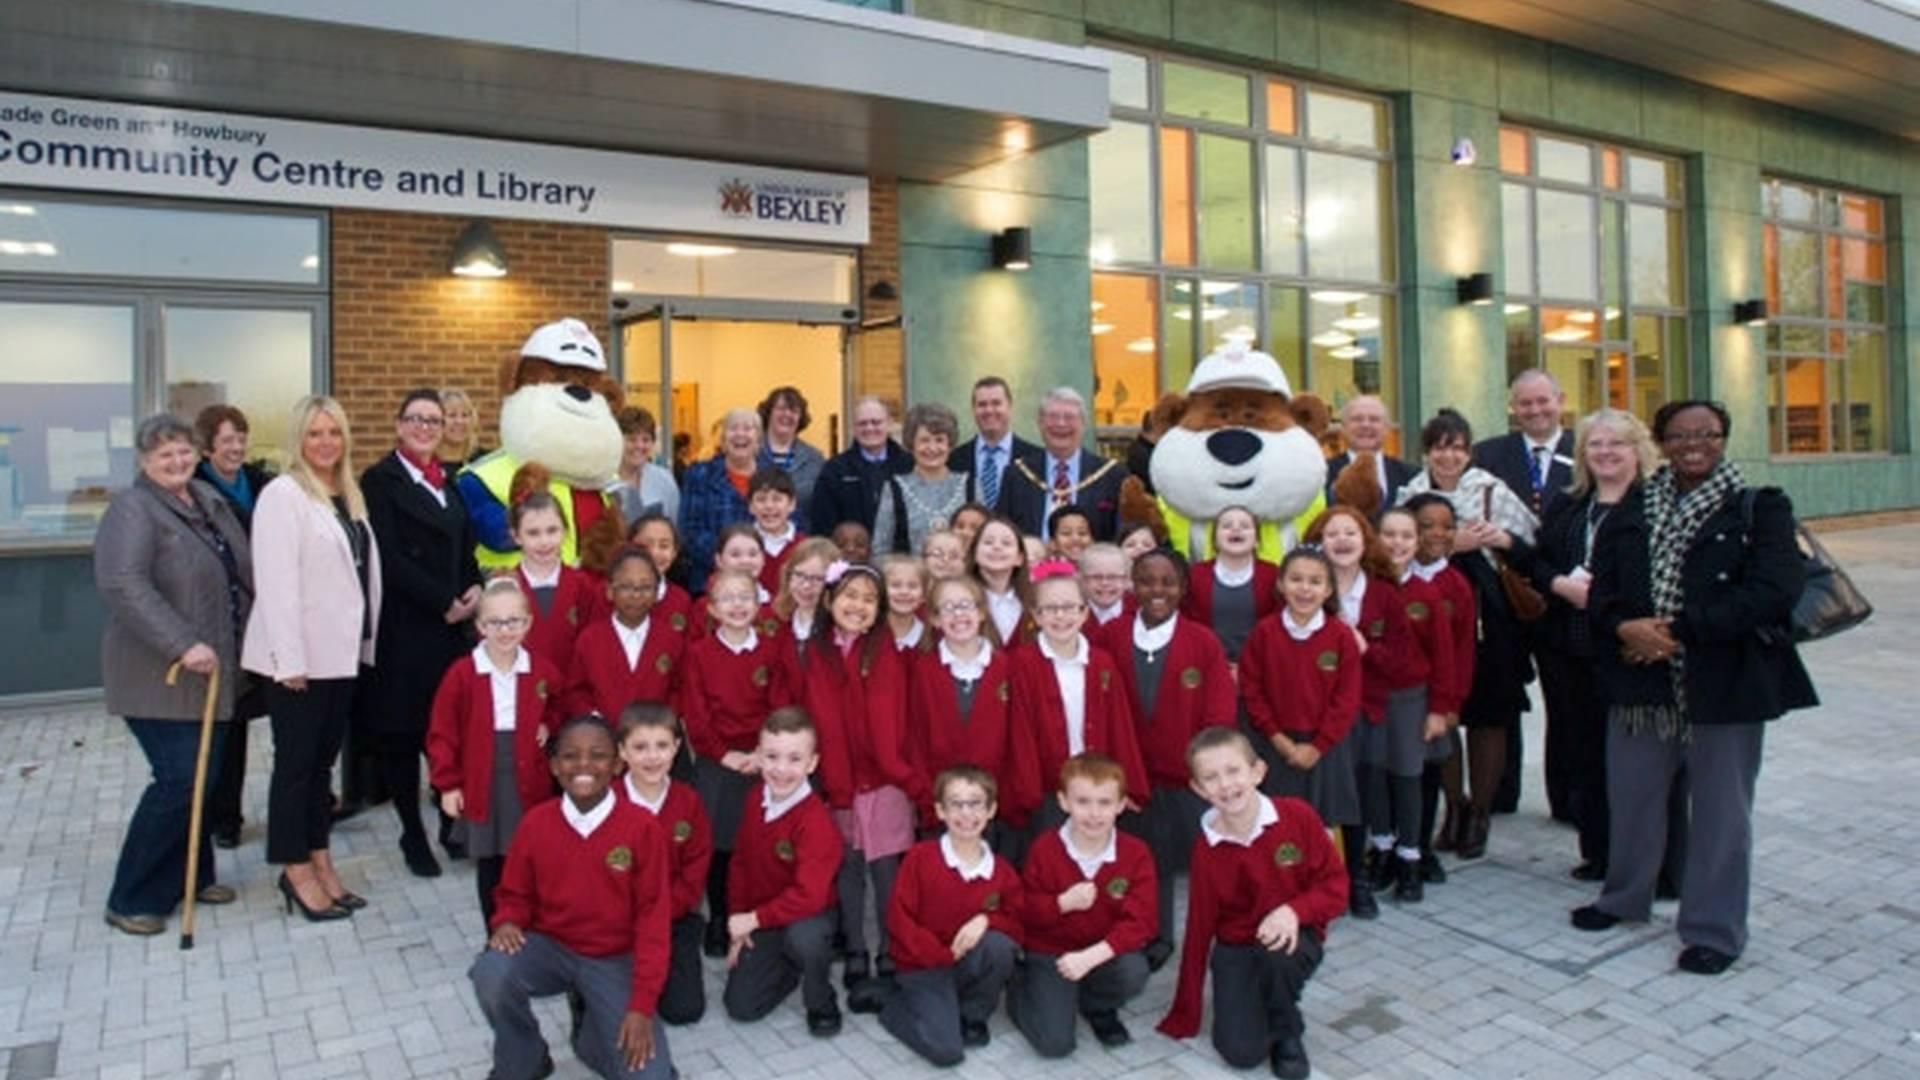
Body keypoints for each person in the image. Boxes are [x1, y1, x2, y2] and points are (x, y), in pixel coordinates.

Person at [1574, 400, 1816, 976]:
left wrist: (1680, 632)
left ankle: (1713, 927)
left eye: (1705, 434)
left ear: (1723, 438)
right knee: (1631, 798)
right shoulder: (1633, 507)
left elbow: (1773, 591)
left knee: (1720, 812)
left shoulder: (1760, 508)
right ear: (1661, 441)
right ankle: (1624, 897)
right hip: (1640, 683)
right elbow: (1602, 591)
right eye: (1679, 435)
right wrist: (1624, 628)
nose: (1692, 445)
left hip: (1723, 686)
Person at [96, 414, 253, 935]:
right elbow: (123, 584)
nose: (177, 461)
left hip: (214, 675)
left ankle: (191, 874)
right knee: (179, 780)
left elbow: (242, 572)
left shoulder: (205, 501)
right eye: (165, 455)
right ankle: (132, 896)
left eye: (184, 450)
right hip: (160, 676)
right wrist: (182, 643)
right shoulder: (134, 509)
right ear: (143, 462)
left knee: (203, 781)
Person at [469, 716, 675, 1080]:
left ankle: (590, 1026)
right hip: (552, 948)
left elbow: (653, 921)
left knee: (650, 1076)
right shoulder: (536, 823)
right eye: (570, 756)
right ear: (553, 765)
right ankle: (525, 1058)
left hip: (614, 957)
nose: (583, 765)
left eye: (597, 756)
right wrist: (508, 921)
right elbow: (514, 892)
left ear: (616, 765)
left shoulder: (642, 828)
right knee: (491, 970)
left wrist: (642, 1005)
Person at [243, 395, 381, 921]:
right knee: (296, 769)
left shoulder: (346, 493)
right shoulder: (283, 495)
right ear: (297, 439)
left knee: (320, 768)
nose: (326, 443)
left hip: (339, 655)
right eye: (315, 433)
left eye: (335, 433)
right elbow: (275, 584)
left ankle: (320, 858)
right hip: (298, 662)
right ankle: (293, 868)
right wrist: (289, 661)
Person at [1157, 727, 1348, 1080]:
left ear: (1257, 772)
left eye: (1233, 771)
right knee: (1240, 1053)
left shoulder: (1297, 816)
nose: (1226, 785)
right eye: (1211, 778)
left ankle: (1287, 1033)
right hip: (1237, 946)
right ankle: (1256, 1000)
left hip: (1292, 935)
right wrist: (1186, 1008)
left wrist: (1294, 911)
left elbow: (1337, 887)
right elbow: (1200, 925)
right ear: (1198, 789)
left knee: (1277, 958)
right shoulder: (1207, 848)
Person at [1396, 408, 1538, 859]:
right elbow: (1391, 544)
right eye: (1440, 446)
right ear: (1427, 451)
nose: (1448, 456)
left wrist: (1496, 538)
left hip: (1488, 612)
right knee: (1441, 710)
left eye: (1457, 447)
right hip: (1425, 608)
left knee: (1489, 712)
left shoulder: (1492, 491)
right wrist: (1440, 542)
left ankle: (1480, 811)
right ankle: (1453, 806)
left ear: (1468, 451)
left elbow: (1532, 542)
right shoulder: (1409, 492)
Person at [358, 388, 483, 878]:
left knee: (448, 734)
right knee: (404, 734)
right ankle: (413, 833)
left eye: (433, 420)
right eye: (416, 419)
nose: (425, 427)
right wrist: (443, 602)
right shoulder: (379, 480)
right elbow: (386, 556)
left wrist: (472, 588)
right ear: (398, 424)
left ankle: (452, 825)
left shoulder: (447, 481)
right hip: (407, 630)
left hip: (451, 634)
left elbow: (464, 548)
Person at [1530, 409, 1659, 883]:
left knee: (1637, 765)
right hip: (1572, 650)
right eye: (1595, 445)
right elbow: (1538, 562)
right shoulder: (1570, 504)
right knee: (1585, 757)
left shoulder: (1654, 504)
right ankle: (1598, 853)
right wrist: (1560, 585)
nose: (1605, 453)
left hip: (1630, 653)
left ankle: (1651, 863)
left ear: (1637, 450)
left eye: (1616, 444)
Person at [1096, 546, 1232, 963]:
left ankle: (1222, 938)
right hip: (1130, 779)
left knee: (1199, 862)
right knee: (1143, 863)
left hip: (1186, 780)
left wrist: (1204, 772)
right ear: (1132, 586)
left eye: (1168, 582)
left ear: (1183, 588)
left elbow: (1218, 713)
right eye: (1146, 581)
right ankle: (1152, 937)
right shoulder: (1111, 635)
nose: (1157, 590)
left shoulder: (1202, 641)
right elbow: (1099, 707)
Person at [785, 564, 916, 992]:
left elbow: (889, 716)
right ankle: (857, 947)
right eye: (848, 595)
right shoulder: (815, 653)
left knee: (886, 869)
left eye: (867, 599)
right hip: (837, 779)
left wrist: (898, 771)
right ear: (827, 600)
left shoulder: (885, 651)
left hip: (883, 779)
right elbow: (812, 715)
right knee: (849, 867)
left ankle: (891, 949)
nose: (857, 605)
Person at [1303, 505, 1419, 918]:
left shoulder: (1385, 592)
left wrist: (1368, 649)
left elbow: (1403, 657)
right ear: (1318, 542)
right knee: (1319, 797)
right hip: (1318, 712)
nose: (1341, 540)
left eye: (1350, 532)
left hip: (1367, 709)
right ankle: (1314, 880)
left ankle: (1357, 879)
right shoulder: (1308, 586)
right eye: (1331, 533)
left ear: (1364, 539)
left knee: (1358, 796)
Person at [427, 578, 563, 925]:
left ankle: (531, 929)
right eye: (495, 623)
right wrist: (448, 784)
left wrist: (549, 723)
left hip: (529, 779)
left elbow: (560, 705)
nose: (505, 630)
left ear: (528, 622)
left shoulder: (541, 671)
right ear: (480, 627)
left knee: (530, 859)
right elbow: (442, 734)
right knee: (491, 863)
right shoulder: (462, 675)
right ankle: (496, 929)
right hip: (482, 782)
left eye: (514, 621)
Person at [1473, 370, 1575, 817]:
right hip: (1505, 597)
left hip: (1563, 597)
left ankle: (1569, 799)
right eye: (1525, 404)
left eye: (1542, 401)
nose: (1535, 410)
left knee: (1567, 702)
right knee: (1503, 696)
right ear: (1512, 407)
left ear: (1560, 400)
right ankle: (1499, 792)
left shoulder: (1588, 450)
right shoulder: (1489, 454)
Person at [876, 766, 1024, 1064]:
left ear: (991, 810)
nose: (966, 813)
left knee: (999, 945)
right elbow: (899, 920)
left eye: (975, 803)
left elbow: (1018, 925)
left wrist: (987, 920)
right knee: (947, 1052)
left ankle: (973, 1014)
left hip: (964, 964)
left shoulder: (1002, 873)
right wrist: (940, 955)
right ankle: (890, 1004)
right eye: (956, 804)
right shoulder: (920, 858)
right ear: (940, 811)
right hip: (923, 965)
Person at [1013, 753, 1157, 1056]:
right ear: (1064, 801)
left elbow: (1142, 922)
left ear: (1120, 805)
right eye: (1083, 802)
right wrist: (1060, 904)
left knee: (1134, 969)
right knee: (1055, 1045)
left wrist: (1091, 957)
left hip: (1100, 952)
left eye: (1104, 803)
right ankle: (1022, 990)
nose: (1094, 814)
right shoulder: (1045, 848)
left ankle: (1097, 1005)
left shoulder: (1135, 852)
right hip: (1051, 952)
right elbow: (1023, 909)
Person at [682, 567, 790, 958]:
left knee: (760, 843)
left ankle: (758, 915)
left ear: (759, 603)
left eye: (745, 597)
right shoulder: (698, 654)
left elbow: (778, 702)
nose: (737, 606)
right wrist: (722, 753)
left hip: (764, 759)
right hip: (719, 760)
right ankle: (719, 918)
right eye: (727, 599)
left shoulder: (770, 650)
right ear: (712, 608)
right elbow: (695, 713)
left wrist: (765, 752)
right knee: (719, 846)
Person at [722, 707, 846, 1037]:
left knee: (805, 937)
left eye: (794, 759)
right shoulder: (753, 800)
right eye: (772, 756)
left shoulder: (815, 821)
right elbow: (741, 865)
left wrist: (754, 919)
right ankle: (788, 967)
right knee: (742, 1008)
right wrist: (739, 922)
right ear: (758, 757)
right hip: (765, 915)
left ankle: (821, 999)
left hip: (809, 914)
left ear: (812, 763)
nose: (781, 769)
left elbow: (809, 896)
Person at [1004, 563, 1149, 836]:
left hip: (1096, 784)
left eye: (1070, 607)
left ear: (1084, 613)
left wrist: (1128, 783)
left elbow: (1120, 726)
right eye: (1051, 609)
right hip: (1046, 790)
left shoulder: (1102, 663)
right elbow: (1019, 733)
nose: (1061, 616)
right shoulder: (1021, 664)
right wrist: (1028, 793)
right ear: (1036, 615)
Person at [191, 403, 273, 850]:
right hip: (230, 620)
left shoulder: (261, 483)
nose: (237, 448)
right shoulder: (198, 490)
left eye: (241, 439)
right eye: (227, 441)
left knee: (286, 712)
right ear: (207, 448)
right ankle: (226, 816)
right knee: (233, 721)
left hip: (270, 611)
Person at [1239, 547, 1362, 832]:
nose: (1305, 589)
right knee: (1277, 823)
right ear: (1281, 584)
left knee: (1322, 827)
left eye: (1315, 581)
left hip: (1326, 747)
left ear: (1329, 589)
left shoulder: (1341, 636)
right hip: (1274, 744)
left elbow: (1347, 698)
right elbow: (1252, 690)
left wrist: (1318, 746)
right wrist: (1280, 740)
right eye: (1296, 579)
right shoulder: (1264, 633)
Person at [1374, 505, 1459, 902]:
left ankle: (1410, 858)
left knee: (1409, 778)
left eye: (1406, 536)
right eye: (1388, 534)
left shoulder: (1427, 593)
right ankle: (1383, 851)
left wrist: (1439, 708)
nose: (1397, 543)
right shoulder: (1367, 590)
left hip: (1411, 701)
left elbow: (1443, 657)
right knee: (1376, 776)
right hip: (1371, 699)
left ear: (1417, 541)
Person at [615, 703, 714, 1026]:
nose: (652, 757)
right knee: (613, 1002)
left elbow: (695, 868)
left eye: (661, 746)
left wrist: (664, 912)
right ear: (622, 752)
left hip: (674, 918)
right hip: (619, 922)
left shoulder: (689, 802)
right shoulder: (608, 803)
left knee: (684, 1010)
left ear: (676, 748)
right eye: (640, 747)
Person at [909, 577, 1015, 837]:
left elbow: (1018, 739)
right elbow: (915, 737)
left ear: (981, 612)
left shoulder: (1008, 668)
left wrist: (1008, 796)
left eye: (966, 605)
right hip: (942, 807)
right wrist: (929, 796)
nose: (958, 615)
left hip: (997, 808)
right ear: (934, 619)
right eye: (947, 608)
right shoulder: (923, 670)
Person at [563, 548, 685, 723]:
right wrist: (595, 718)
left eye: (645, 587)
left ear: (656, 593)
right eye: (626, 587)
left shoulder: (671, 640)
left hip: (654, 741)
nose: (636, 595)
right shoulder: (590, 639)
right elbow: (575, 690)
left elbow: (679, 689)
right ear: (610, 591)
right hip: (604, 738)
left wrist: (662, 721)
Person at [995, 388, 1124, 541]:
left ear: (1083, 424)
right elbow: (1002, 529)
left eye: (1069, 417)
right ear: (1040, 423)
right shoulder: (1016, 475)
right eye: (1053, 416)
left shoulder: (1112, 475)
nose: (1061, 424)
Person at [514, 492, 603, 674]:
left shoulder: (582, 585)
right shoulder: (505, 586)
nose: (544, 542)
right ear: (516, 536)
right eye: (533, 533)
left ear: (565, 531)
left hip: (571, 692)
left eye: (552, 530)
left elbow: (595, 645)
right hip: (520, 693)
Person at [1182, 506, 1279, 669]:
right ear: (1215, 540)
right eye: (1227, 525)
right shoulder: (1194, 575)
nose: (1236, 529)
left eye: (1245, 526)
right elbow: (1186, 625)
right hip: (1206, 667)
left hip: (1259, 668)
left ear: (1257, 540)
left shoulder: (1273, 575)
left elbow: (1277, 626)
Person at [679, 407, 762, 594]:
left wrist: (751, 560)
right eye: (733, 429)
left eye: (748, 428)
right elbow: (690, 531)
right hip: (709, 582)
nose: (740, 434)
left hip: (762, 582)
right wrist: (731, 559)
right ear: (723, 440)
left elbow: (786, 526)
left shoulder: (772, 477)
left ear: (758, 440)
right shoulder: (699, 474)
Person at [873, 402, 969, 556]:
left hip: (961, 579)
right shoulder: (894, 488)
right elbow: (880, 550)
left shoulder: (969, 486)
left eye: (939, 440)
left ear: (950, 444)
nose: (932, 448)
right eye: (924, 440)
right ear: (911, 444)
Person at [810, 396, 912, 536]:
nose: (869, 428)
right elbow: (822, 524)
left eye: (876, 422)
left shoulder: (909, 466)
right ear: (853, 428)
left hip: (899, 555)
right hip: (851, 555)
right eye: (862, 423)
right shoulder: (835, 470)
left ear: (889, 424)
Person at [948, 376, 1038, 508]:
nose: (989, 410)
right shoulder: (953, 459)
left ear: (1010, 406)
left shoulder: (1033, 458)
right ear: (973, 409)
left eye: (996, 403)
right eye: (982, 404)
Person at [1325, 395, 1416, 510]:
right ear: (1343, 427)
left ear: (1387, 428)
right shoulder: (1324, 474)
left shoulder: (1411, 477)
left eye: (1374, 419)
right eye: (1357, 419)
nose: (1365, 425)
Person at [756, 386, 827, 526]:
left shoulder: (814, 458)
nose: (787, 414)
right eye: (781, 408)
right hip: (756, 538)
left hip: (800, 539)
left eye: (794, 411)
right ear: (768, 412)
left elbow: (820, 506)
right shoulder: (751, 452)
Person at [969, 515, 1033, 646]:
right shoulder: (961, 598)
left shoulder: (1033, 600)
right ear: (974, 553)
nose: (997, 547)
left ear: (1019, 558)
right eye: (988, 542)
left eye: (1006, 543)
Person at [612, 406, 681, 526]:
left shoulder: (664, 479)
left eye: (646, 440)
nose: (639, 446)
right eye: (632, 439)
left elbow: (674, 524)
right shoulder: (603, 480)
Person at [747, 467, 803, 596]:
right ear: (750, 506)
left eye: (777, 499)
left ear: (792, 504)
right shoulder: (740, 545)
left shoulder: (804, 547)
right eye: (761, 499)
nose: (769, 506)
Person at [879, 555, 931, 652]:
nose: (904, 592)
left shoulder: (930, 637)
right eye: (896, 585)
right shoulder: (870, 633)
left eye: (912, 586)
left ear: (924, 595)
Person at [1078, 543, 1133, 626]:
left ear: (1126, 580)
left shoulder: (1141, 614)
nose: (1105, 583)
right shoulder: (1073, 614)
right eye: (1096, 577)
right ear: (1083, 580)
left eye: (1113, 577)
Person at [439, 387, 486, 464]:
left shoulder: (485, 460)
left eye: (464, 415)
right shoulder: (424, 463)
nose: (459, 421)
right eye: (452, 415)